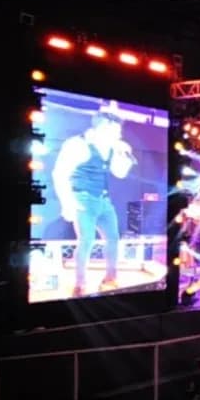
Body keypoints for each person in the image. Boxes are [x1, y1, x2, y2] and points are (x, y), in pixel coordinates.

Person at [51, 108, 135, 297]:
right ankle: (80, 284)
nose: (119, 134)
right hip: (83, 199)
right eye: (116, 130)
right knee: (86, 240)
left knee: (113, 239)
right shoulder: (77, 144)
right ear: (104, 127)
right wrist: (68, 203)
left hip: (104, 200)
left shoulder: (112, 148)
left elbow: (119, 173)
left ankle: (110, 278)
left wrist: (123, 154)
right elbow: (59, 174)